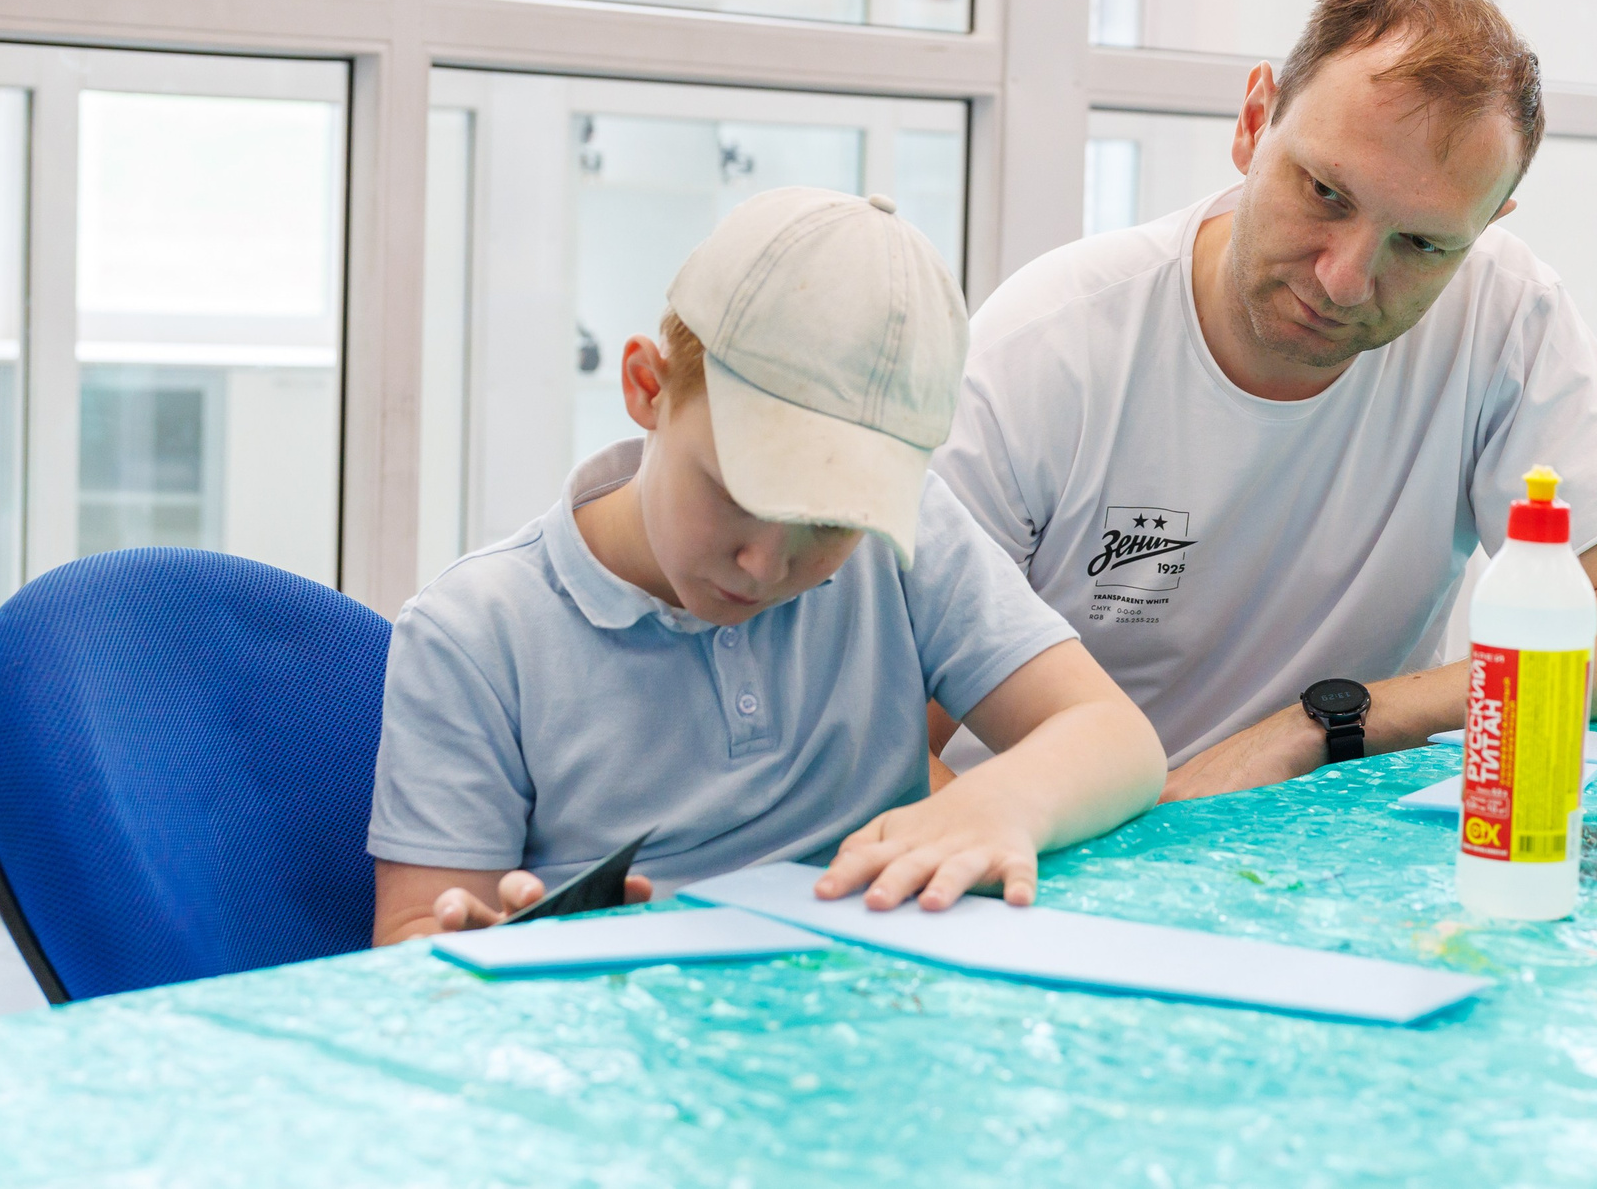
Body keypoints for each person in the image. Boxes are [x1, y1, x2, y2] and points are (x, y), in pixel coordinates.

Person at [933, 0, 1597, 801]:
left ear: (1485, 229)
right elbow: (885, 743)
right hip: (1060, 848)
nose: (1345, 280)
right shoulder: (1047, 346)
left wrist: (1327, 723)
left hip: (1339, 844)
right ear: (1251, 124)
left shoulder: (1502, 311)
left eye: (1421, 245)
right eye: (1325, 193)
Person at [370, 187, 1166, 944]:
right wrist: (480, 951)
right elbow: (409, 951)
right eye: (737, 493)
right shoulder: (473, 632)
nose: (764, 563)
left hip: (871, 1013)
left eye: (830, 522)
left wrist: (1002, 805)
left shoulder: (906, 535)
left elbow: (1116, 738)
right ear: (648, 387)